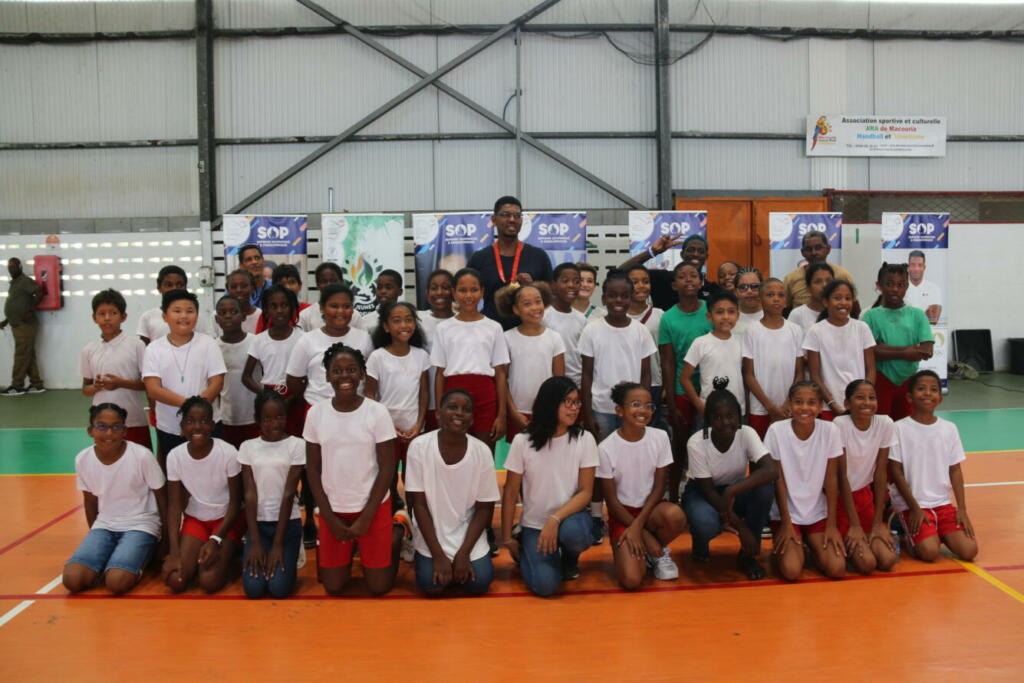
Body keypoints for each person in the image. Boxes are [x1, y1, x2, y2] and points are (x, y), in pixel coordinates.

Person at [303, 343, 402, 596]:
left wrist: (367, 516)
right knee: (333, 587)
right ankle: (352, 549)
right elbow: (312, 469)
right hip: (334, 509)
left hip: (373, 506)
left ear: (361, 374)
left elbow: (387, 468)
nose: (344, 376)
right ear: (327, 376)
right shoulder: (316, 414)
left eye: (351, 370)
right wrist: (327, 516)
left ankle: (398, 530)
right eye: (337, 371)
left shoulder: (377, 412)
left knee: (379, 587)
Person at [501, 377, 597, 596]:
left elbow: (586, 492)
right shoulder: (522, 441)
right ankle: (526, 543)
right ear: (550, 403)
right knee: (545, 586)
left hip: (569, 519)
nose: (574, 408)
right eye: (568, 402)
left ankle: (569, 558)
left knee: (576, 535)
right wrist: (506, 537)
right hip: (535, 524)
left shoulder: (585, 439)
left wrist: (555, 519)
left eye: (577, 402)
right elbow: (510, 492)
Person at [62, 403, 166, 595]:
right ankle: (114, 557)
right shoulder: (82, 459)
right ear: (90, 431)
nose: (109, 433)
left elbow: (162, 498)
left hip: (141, 525)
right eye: (102, 426)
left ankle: (142, 556)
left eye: (116, 427)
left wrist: (165, 540)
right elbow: (90, 501)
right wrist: (95, 537)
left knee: (116, 582)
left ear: (124, 431)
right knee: (73, 580)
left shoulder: (142, 456)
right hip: (105, 525)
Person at [405, 389, 500, 596]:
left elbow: (484, 509)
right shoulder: (419, 447)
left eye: (466, 409)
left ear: (472, 419)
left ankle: (460, 562)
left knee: (479, 584)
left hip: (467, 535)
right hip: (432, 533)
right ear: (438, 414)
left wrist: (464, 553)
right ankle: (416, 543)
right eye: (452, 407)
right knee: (431, 585)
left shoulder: (482, 451)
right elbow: (418, 505)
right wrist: (438, 555)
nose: (459, 413)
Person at [683, 378, 777, 580]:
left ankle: (748, 556)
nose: (725, 422)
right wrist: (741, 528)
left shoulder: (747, 433)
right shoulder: (696, 443)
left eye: (731, 416)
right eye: (717, 417)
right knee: (706, 523)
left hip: (733, 490)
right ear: (707, 420)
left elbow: (771, 470)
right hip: (702, 492)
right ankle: (700, 540)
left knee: (765, 490)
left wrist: (732, 490)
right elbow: (708, 491)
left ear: (739, 416)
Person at [597, 382, 686, 589]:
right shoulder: (606, 448)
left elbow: (659, 488)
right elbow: (612, 503)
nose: (643, 410)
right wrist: (643, 534)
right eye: (636, 404)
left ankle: (657, 553)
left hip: (651, 510)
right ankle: (646, 550)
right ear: (619, 410)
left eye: (649, 406)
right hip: (622, 515)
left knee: (675, 515)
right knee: (631, 580)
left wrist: (640, 527)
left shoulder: (660, 437)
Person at [889, 370, 978, 562]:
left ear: (940, 398)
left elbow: (955, 470)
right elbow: (895, 471)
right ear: (909, 397)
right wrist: (914, 508)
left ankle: (938, 532)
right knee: (929, 553)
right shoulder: (898, 428)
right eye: (921, 389)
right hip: (912, 505)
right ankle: (905, 528)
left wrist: (962, 509)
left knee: (969, 550)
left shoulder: (949, 429)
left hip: (942, 504)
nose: (927, 393)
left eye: (933, 389)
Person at [766, 381, 846, 581]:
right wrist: (786, 522)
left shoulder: (830, 430)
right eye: (798, 402)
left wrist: (831, 525)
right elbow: (778, 480)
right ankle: (791, 548)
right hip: (787, 514)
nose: (804, 408)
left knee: (837, 569)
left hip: (817, 513)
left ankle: (810, 546)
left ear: (820, 407)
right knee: (792, 572)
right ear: (790, 404)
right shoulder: (776, 430)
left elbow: (831, 479)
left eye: (811, 403)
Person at [162, 396, 244, 594]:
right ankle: (202, 556)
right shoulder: (175, 456)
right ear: (182, 426)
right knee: (176, 580)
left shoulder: (228, 452)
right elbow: (174, 506)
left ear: (213, 425)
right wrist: (174, 551)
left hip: (226, 520)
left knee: (209, 582)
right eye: (190, 421)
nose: (197, 427)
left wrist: (215, 539)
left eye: (204, 421)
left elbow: (236, 503)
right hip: (196, 519)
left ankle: (232, 555)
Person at [142, 290, 226, 467]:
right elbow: (153, 389)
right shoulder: (154, 349)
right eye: (177, 311)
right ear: (165, 316)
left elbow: (217, 381)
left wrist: (197, 414)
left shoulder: (208, 343)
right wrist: (190, 407)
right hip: (170, 426)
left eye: (190, 311)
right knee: (175, 473)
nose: (183, 316)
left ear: (196, 315)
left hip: (207, 424)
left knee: (212, 470)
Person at [365, 301, 430, 527]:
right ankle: (390, 522)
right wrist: (389, 426)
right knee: (388, 476)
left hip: (414, 430)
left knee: (413, 479)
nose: (404, 325)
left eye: (409, 320)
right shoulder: (377, 357)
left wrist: (419, 424)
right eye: (397, 320)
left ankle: (413, 522)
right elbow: (370, 394)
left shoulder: (421, 356)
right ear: (385, 327)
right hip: (386, 431)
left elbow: (424, 394)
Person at [430, 268, 510, 449]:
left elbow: (500, 373)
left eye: (474, 290)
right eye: (462, 290)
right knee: (455, 450)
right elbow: (440, 374)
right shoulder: (443, 328)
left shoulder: (494, 327)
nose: (468, 295)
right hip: (453, 394)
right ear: (454, 293)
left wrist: (502, 414)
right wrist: (439, 410)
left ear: (482, 292)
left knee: (484, 451)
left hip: (486, 396)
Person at [238, 390, 305, 599]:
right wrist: (255, 541)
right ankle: (249, 551)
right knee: (254, 589)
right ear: (257, 419)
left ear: (286, 416)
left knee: (279, 588)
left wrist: (277, 545)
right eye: (267, 419)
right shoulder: (248, 447)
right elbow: (249, 494)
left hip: (287, 525)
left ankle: (292, 555)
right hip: (258, 526)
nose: (274, 423)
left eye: (279, 417)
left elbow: (288, 494)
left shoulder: (297, 445)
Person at [658, 261, 712, 502]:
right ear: (674, 285)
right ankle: (673, 496)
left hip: (709, 389)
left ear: (701, 282)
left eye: (693, 275)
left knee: (708, 444)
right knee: (680, 444)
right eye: (682, 276)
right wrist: (670, 400)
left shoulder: (711, 311)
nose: (688, 280)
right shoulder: (668, 318)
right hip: (681, 390)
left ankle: (705, 495)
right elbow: (668, 363)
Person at [579, 271, 655, 441]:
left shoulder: (641, 331)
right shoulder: (591, 330)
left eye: (624, 296)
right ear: (604, 299)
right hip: (601, 408)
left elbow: (645, 374)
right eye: (612, 296)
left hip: (632, 408)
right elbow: (586, 374)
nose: (618, 300)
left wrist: (643, 405)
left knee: (629, 450)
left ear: (631, 298)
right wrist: (587, 413)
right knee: (602, 452)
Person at [834, 380, 899, 574]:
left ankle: (868, 535)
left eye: (872, 398)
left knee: (887, 560)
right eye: (860, 398)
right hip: (841, 500)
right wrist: (854, 525)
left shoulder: (885, 423)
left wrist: (878, 522)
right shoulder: (840, 424)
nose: (867, 403)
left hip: (864, 498)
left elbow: (880, 473)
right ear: (847, 403)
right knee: (867, 564)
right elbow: (842, 476)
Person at [466, 196, 553, 329]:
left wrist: (533, 286)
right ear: (494, 219)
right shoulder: (479, 258)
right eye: (505, 215)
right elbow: (468, 296)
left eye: (517, 215)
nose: (512, 219)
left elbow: (550, 296)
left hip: (528, 331)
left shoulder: (538, 256)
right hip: (490, 331)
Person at [862, 263, 934, 420]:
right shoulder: (869, 316)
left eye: (900, 285)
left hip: (909, 380)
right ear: (880, 285)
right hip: (880, 379)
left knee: (906, 425)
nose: (895, 289)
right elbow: (870, 352)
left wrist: (884, 348)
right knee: (881, 425)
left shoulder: (917, 315)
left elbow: (926, 350)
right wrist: (906, 352)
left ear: (907, 286)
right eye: (889, 284)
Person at [80, 289, 150, 448]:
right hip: (102, 423)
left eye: (113, 313)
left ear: (123, 316)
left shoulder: (137, 345)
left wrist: (121, 383)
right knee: (108, 459)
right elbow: (85, 389)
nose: (107, 318)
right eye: (102, 313)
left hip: (133, 420)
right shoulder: (88, 350)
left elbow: (148, 385)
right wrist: (96, 386)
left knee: (139, 460)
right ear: (94, 318)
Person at [496, 283, 565, 440]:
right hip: (517, 413)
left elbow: (560, 381)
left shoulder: (554, 338)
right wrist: (513, 412)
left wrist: (552, 410)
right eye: (527, 304)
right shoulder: (507, 338)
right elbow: (502, 379)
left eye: (538, 301)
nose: (535, 307)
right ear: (516, 309)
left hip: (547, 412)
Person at [803, 280, 876, 421]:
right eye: (837, 298)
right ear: (826, 302)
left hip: (859, 406)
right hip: (828, 406)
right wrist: (833, 404)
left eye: (848, 298)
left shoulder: (862, 328)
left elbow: (871, 369)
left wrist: (863, 398)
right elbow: (815, 375)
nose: (843, 303)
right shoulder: (816, 331)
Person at [742, 278, 804, 439]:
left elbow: (799, 373)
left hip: (789, 407)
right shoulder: (752, 331)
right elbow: (748, 374)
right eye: (770, 295)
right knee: (760, 449)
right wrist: (769, 406)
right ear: (760, 299)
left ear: (786, 300)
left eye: (780, 295)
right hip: (760, 407)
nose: (776, 299)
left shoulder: (795, 330)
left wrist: (788, 402)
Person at [242, 285, 305, 436]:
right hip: (268, 398)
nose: (279, 310)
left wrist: (292, 398)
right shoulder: (259, 340)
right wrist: (266, 395)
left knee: (296, 440)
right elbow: (246, 377)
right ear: (266, 310)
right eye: (273, 306)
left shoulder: (303, 338)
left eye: (284, 305)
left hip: (296, 397)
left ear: (292, 307)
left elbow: (309, 375)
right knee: (270, 440)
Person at [681, 291, 745, 417]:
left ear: (738, 315)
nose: (726, 317)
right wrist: (700, 405)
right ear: (709, 316)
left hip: (737, 410)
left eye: (731, 312)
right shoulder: (701, 343)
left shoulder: (741, 342)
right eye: (719, 312)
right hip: (710, 410)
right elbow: (684, 378)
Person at [618, 233, 717, 311]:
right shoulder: (663, 279)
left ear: (706, 257)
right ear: (682, 254)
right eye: (690, 250)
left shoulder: (713, 290)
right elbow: (619, 273)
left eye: (701, 251)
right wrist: (652, 252)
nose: (695, 254)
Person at [214, 295, 257, 449]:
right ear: (217, 319)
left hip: (254, 415)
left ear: (243, 316)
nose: (228, 316)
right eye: (223, 312)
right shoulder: (213, 347)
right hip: (226, 417)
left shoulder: (255, 342)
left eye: (233, 311)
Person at [626, 265, 665, 428]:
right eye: (635, 282)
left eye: (645, 281)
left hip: (654, 383)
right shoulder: (617, 315)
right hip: (626, 382)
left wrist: (666, 387)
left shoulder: (660, 315)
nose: (641, 286)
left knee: (650, 429)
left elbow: (666, 354)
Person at [136, 265, 212, 345]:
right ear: (159, 288)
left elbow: (203, 343)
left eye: (180, 285)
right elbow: (144, 348)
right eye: (168, 285)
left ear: (185, 287)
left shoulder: (195, 317)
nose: (174, 288)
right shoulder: (148, 317)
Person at [0, 256, 44, 396]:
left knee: (21, 354)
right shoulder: (15, 283)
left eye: (13, 267)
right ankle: (36, 384)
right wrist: (6, 320)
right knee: (28, 354)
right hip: (17, 324)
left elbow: (39, 292)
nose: (11, 269)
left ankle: (17, 385)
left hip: (26, 325)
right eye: (9, 267)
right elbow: (17, 303)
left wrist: (31, 311)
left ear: (20, 267)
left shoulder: (25, 281)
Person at [418, 269, 455, 431]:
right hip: (425, 399)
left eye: (445, 287)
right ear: (427, 293)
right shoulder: (418, 320)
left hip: (455, 395)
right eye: (434, 288)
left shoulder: (461, 321)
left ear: (454, 292)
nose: (439, 292)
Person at [782, 230, 856, 309]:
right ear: (803, 252)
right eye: (808, 249)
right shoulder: (791, 278)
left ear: (828, 249)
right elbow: (785, 309)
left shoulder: (842, 275)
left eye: (818, 248)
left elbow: (854, 308)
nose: (814, 252)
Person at [543, 263, 587, 387]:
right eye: (565, 281)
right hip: (550, 382)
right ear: (553, 285)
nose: (571, 285)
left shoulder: (581, 318)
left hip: (576, 383)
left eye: (576, 281)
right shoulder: (544, 316)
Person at [298, 262, 360, 332]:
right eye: (324, 281)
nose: (329, 285)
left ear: (341, 282)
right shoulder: (305, 316)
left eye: (333, 281)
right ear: (317, 284)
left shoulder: (354, 316)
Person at [786, 262, 834, 335]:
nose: (824, 285)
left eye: (829, 281)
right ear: (808, 287)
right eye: (818, 282)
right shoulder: (797, 314)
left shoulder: (838, 311)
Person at [356, 269, 404, 335]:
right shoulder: (366, 321)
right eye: (379, 287)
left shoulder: (407, 319)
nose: (383, 291)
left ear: (400, 292)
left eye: (388, 287)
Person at [905, 250, 943, 324]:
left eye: (920, 265)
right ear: (908, 267)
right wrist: (924, 313)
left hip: (927, 330)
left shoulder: (934, 289)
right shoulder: (899, 288)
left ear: (924, 267)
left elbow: (933, 319)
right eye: (913, 265)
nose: (916, 269)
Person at [220, 269, 261, 335]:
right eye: (234, 287)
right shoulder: (219, 315)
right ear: (227, 289)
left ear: (252, 288)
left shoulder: (261, 316)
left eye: (244, 286)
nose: (239, 290)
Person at [732, 267, 764, 342]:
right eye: (743, 287)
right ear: (735, 291)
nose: (749, 291)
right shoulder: (727, 320)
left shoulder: (773, 318)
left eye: (755, 286)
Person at [237, 243, 269, 308]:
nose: (254, 262)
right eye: (249, 259)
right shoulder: (235, 291)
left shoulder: (274, 287)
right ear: (241, 266)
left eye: (257, 258)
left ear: (263, 262)